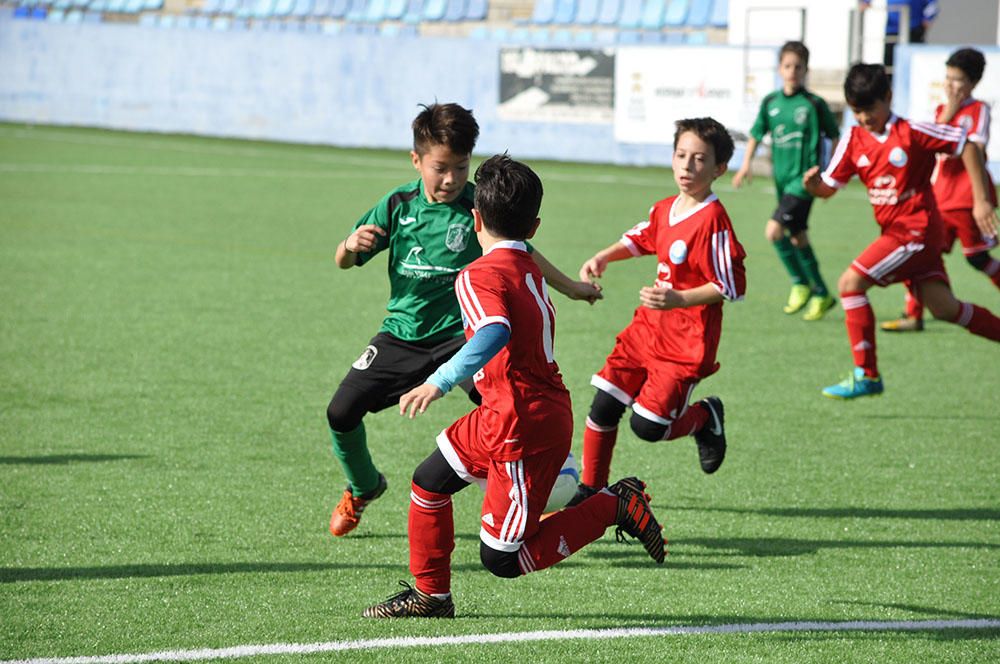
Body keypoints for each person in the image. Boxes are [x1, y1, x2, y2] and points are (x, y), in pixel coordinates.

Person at [362, 155, 665, 619]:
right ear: (535, 228)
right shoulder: (527, 266)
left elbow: (493, 331)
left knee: (501, 558)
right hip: (503, 411)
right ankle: (431, 596)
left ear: (475, 218)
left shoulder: (476, 275)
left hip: (521, 422)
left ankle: (612, 504)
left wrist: (439, 382)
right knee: (428, 482)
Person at [327, 103, 601, 537]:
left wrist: (570, 286)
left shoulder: (480, 205)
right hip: (402, 336)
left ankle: (553, 490)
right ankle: (364, 486)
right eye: (441, 168)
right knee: (340, 412)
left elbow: (520, 251)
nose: (452, 178)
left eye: (461, 166)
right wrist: (348, 243)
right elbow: (345, 260)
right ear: (417, 160)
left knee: (507, 412)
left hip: (461, 339)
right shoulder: (397, 205)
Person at [569, 118, 747, 505]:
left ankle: (705, 417)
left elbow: (730, 286)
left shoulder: (714, 220)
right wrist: (604, 256)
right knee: (603, 405)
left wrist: (678, 299)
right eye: (681, 155)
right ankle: (591, 489)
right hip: (647, 330)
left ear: (718, 169)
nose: (687, 166)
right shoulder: (665, 209)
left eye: (700, 159)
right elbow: (639, 238)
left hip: (686, 341)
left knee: (648, 427)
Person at [803, 63, 1000, 400]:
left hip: (916, 231)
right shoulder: (853, 139)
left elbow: (966, 144)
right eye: (856, 111)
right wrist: (813, 186)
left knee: (850, 284)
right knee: (945, 309)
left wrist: (981, 200)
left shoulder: (912, 131)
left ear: (889, 98)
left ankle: (867, 374)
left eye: (870, 109)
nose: (864, 117)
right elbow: (829, 189)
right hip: (901, 234)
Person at [882, 48, 1000, 332]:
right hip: (940, 197)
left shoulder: (979, 110)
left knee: (976, 258)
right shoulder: (940, 111)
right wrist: (947, 113)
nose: (950, 84)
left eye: (957, 79)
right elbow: (928, 144)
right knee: (918, 252)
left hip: (966, 198)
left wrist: (981, 200)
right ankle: (913, 314)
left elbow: (976, 150)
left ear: (972, 83)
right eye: (947, 77)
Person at [732, 41, 839, 321]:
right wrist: (745, 165)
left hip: (803, 183)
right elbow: (756, 133)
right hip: (782, 182)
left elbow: (835, 135)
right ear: (780, 69)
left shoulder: (814, 104)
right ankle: (821, 293)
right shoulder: (771, 102)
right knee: (798, 235)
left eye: (798, 67)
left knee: (774, 231)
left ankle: (800, 282)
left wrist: (833, 173)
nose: (793, 71)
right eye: (788, 66)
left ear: (806, 70)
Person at [859, 0, 938, 71]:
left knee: (913, 65)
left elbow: (932, 5)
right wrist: (865, 2)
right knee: (890, 64)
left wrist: (927, 19)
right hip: (892, 29)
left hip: (913, 29)